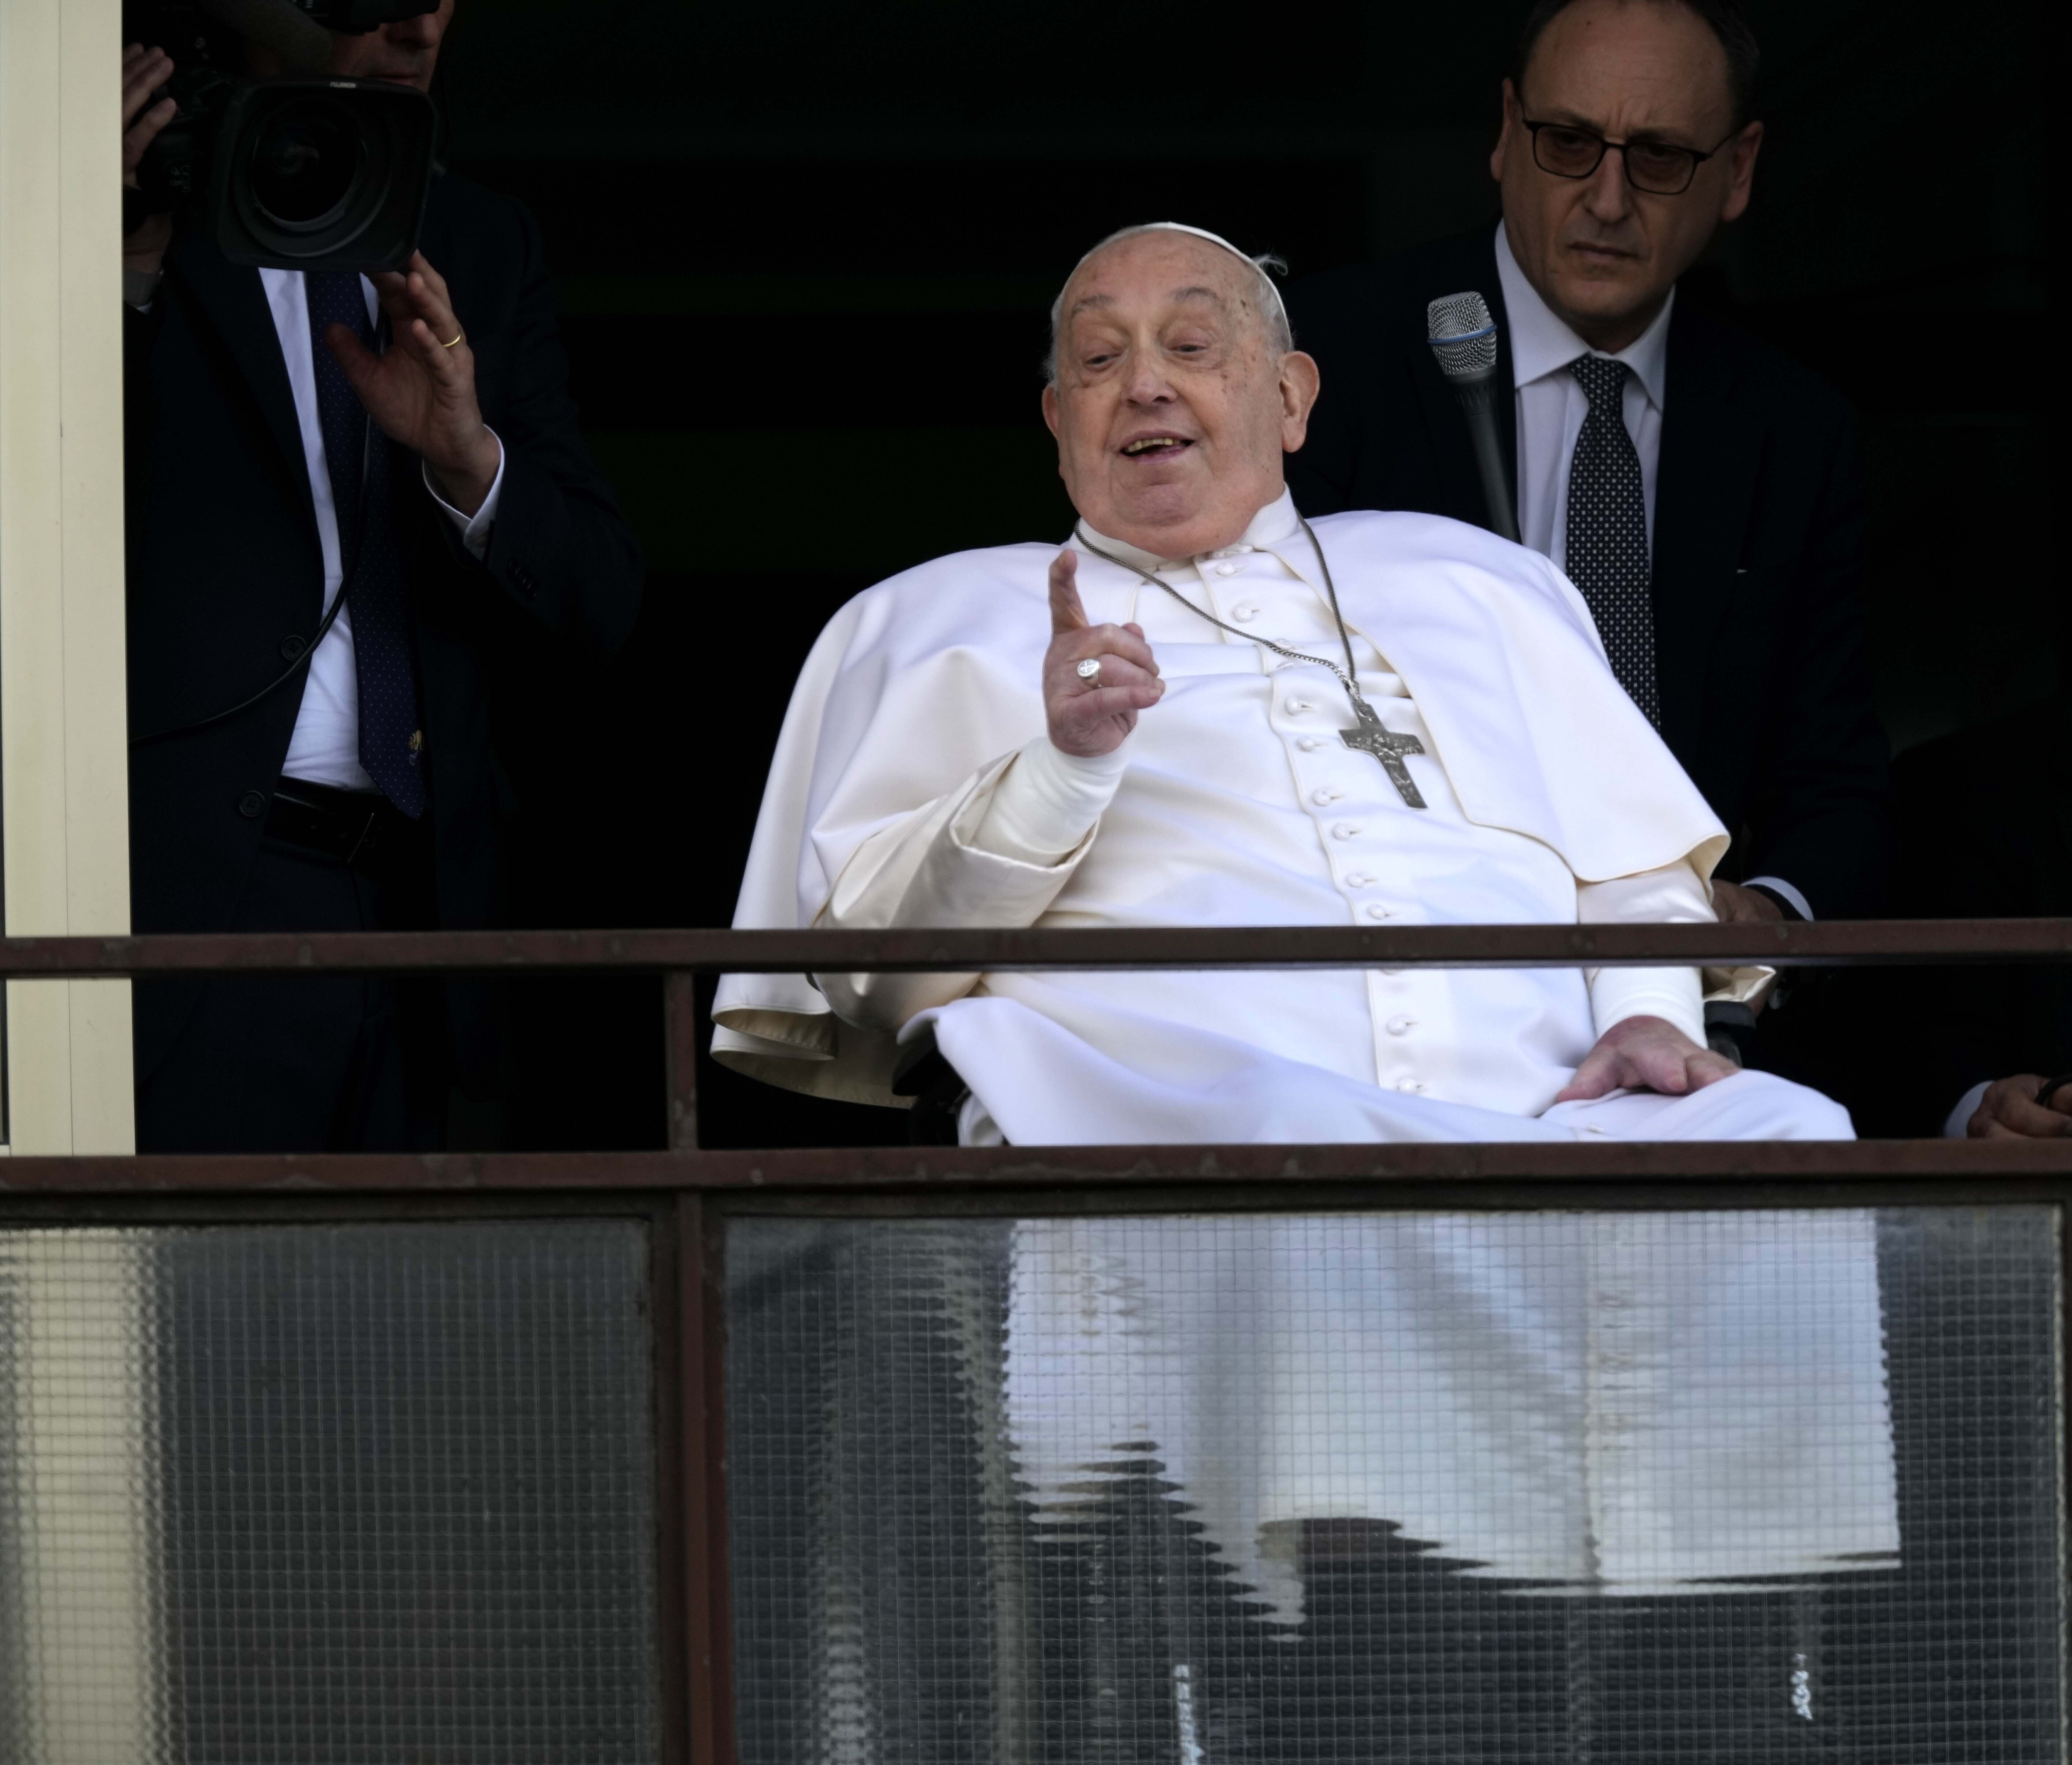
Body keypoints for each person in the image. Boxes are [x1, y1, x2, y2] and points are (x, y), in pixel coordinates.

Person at [711, 223, 1895, 1750]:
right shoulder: (939, 623)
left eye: (1193, 345)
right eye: (1099, 358)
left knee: (1789, 1133)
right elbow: (871, 970)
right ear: (1057, 418)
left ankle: (1711, 1687)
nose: (1146, 384)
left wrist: (1652, 1014)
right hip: (1205, 1127)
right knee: (1301, 1164)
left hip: (1548, 1115)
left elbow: (1629, 869)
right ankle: (1382, 1691)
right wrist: (1056, 768)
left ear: (1292, 395)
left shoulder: (1477, 586)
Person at [120, 5, 640, 1151]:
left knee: (400, 1323)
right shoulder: (143, 199)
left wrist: (468, 461)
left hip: (430, 914)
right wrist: (104, 253)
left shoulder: (480, 240)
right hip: (197, 898)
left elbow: (603, 599)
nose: (417, 26)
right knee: (186, 1311)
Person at [1285, 0, 1890, 964]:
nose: (1607, 200)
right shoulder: (1319, 368)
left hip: (1689, 1008)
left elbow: (1834, 776)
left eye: (1658, 158)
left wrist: (1770, 916)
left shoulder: (1792, 430)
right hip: (1391, 982)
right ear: (1505, 135)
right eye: (1568, 143)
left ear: (1737, 172)